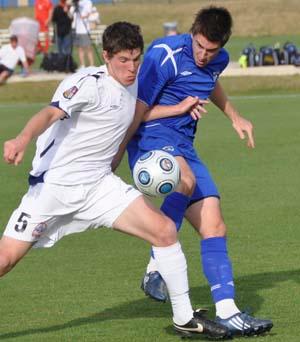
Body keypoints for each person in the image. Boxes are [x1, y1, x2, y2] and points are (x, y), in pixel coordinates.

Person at [1, 22, 228, 340]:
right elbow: (50, 113)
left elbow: (139, 114)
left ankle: (184, 317)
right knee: (5, 259)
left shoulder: (134, 83)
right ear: (106, 56)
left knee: (163, 231)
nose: (132, 67)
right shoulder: (88, 83)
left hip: (99, 186)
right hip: (54, 190)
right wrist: (21, 138)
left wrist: (177, 108)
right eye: (123, 60)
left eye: (136, 58)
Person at [126, 6, 273, 337]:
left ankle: (228, 310)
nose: (205, 55)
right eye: (200, 47)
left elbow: (211, 82)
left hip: (184, 146)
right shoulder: (164, 55)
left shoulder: (217, 60)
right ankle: (155, 265)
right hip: (151, 140)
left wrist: (235, 116)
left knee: (214, 223)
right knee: (186, 181)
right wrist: (117, 153)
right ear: (192, 32)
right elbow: (135, 114)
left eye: (212, 50)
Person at [71, 0, 94, 68]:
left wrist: (83, 16)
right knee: (80, 48)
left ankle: (91, 65)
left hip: (85, 29)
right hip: (78, 29)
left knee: (88, 47)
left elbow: (88, 13)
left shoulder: (87, 2)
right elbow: (72, 13)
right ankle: (82, 65)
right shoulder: (75, 2)